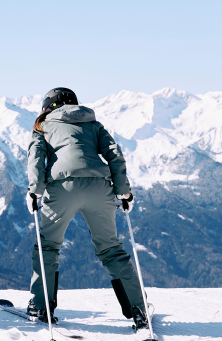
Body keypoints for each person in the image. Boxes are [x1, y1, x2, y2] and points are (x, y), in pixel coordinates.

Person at [26, 87, 147, 328]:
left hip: (62, 189)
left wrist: (35, 191)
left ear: (47, 106)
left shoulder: (43, 127)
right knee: (111, 249)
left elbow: (36, 158)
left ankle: (41, 306)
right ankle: (137, 309)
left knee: (48, 247)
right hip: (99, 188)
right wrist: (123, 191)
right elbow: (114, 154)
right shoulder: (94, 124)